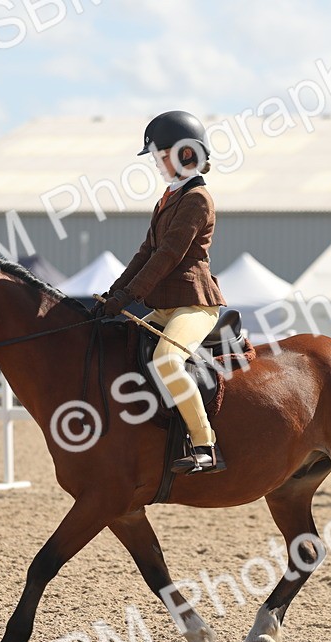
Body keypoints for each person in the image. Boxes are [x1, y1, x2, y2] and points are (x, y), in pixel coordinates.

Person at [97, 110, 227, 474]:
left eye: (160, 155)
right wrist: (113, 292)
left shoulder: (197, 199)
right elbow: (145, 252)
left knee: (166, 362)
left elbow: (168, 256)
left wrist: (130, 297)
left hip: (194, 306)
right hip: (165, 307)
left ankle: (205, 445)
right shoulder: (167, 198)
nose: (156, 163)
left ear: (186, 153)